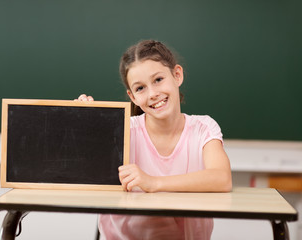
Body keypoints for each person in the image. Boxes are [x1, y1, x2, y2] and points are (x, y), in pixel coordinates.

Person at [76, 40, 232, 240]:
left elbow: (222, 178)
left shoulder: (203, 129)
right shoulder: (121, 130)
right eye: (140, 88)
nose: (153, 94)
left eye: (158, 79)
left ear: (177, 75)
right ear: (132, 97)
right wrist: (81, 124)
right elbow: (81, 170)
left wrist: (153, 183)